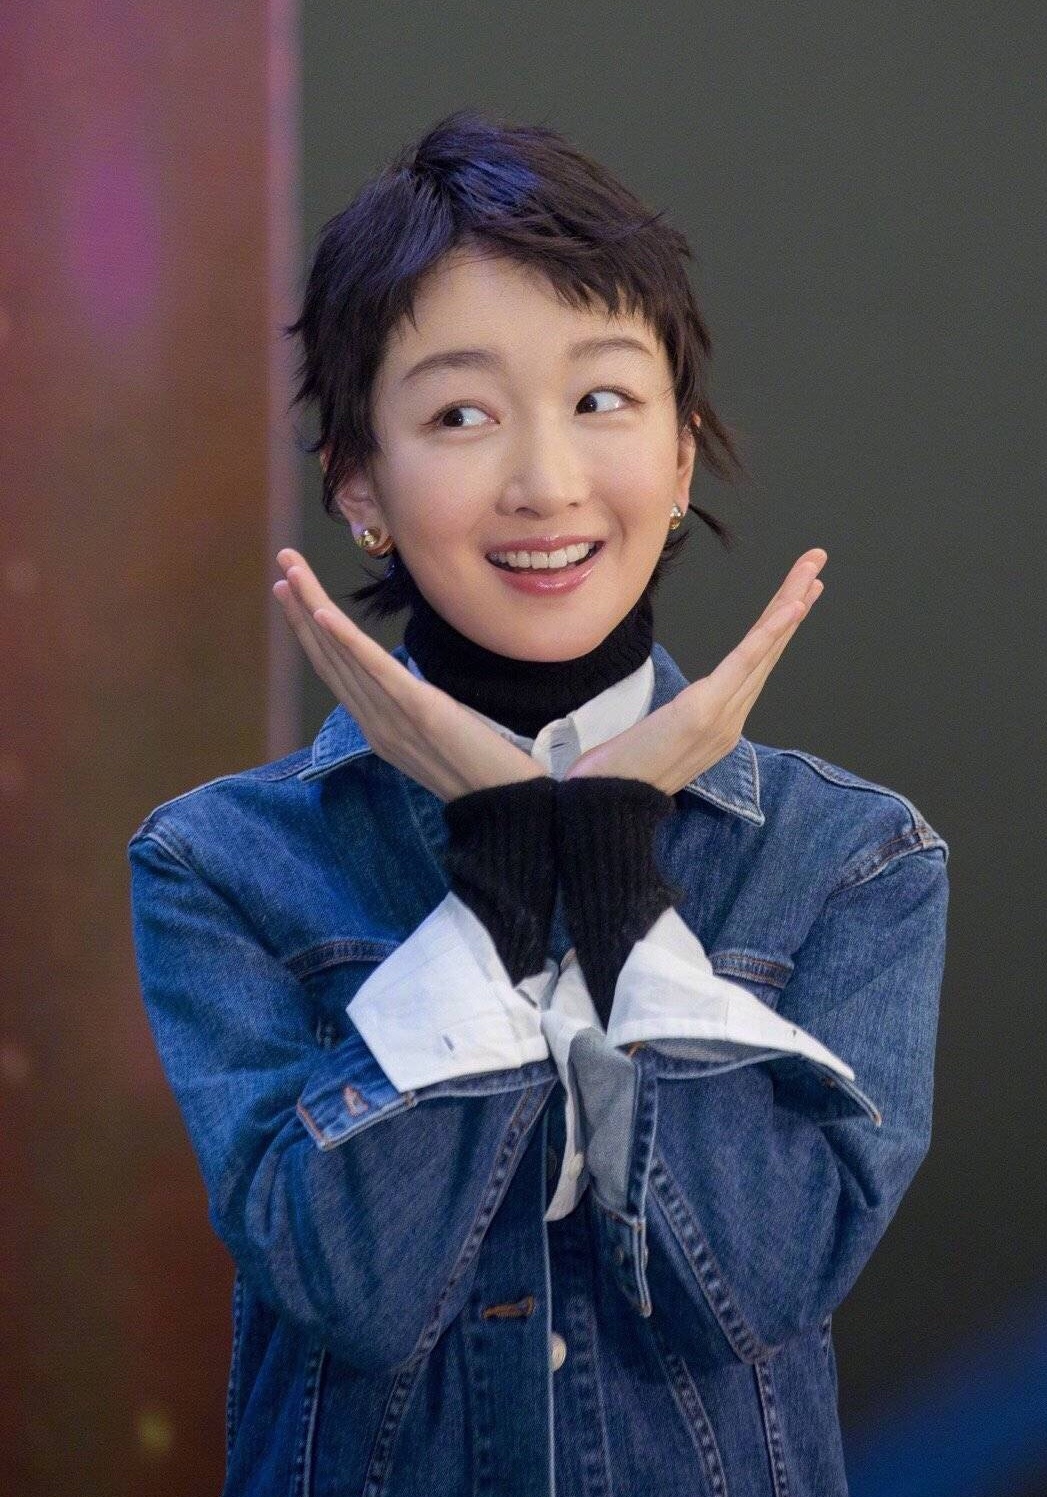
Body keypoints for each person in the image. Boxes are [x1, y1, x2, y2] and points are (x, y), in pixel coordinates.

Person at [128, 109, 949, 1497]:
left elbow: (763, 1279)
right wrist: (507, 868)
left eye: (602, 400)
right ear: (358, 485)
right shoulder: (220, 866)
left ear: (680, 457)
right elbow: (350, 1284)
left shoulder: (853, 862)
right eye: (460, 415)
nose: (545, 484)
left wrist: (616, 872)